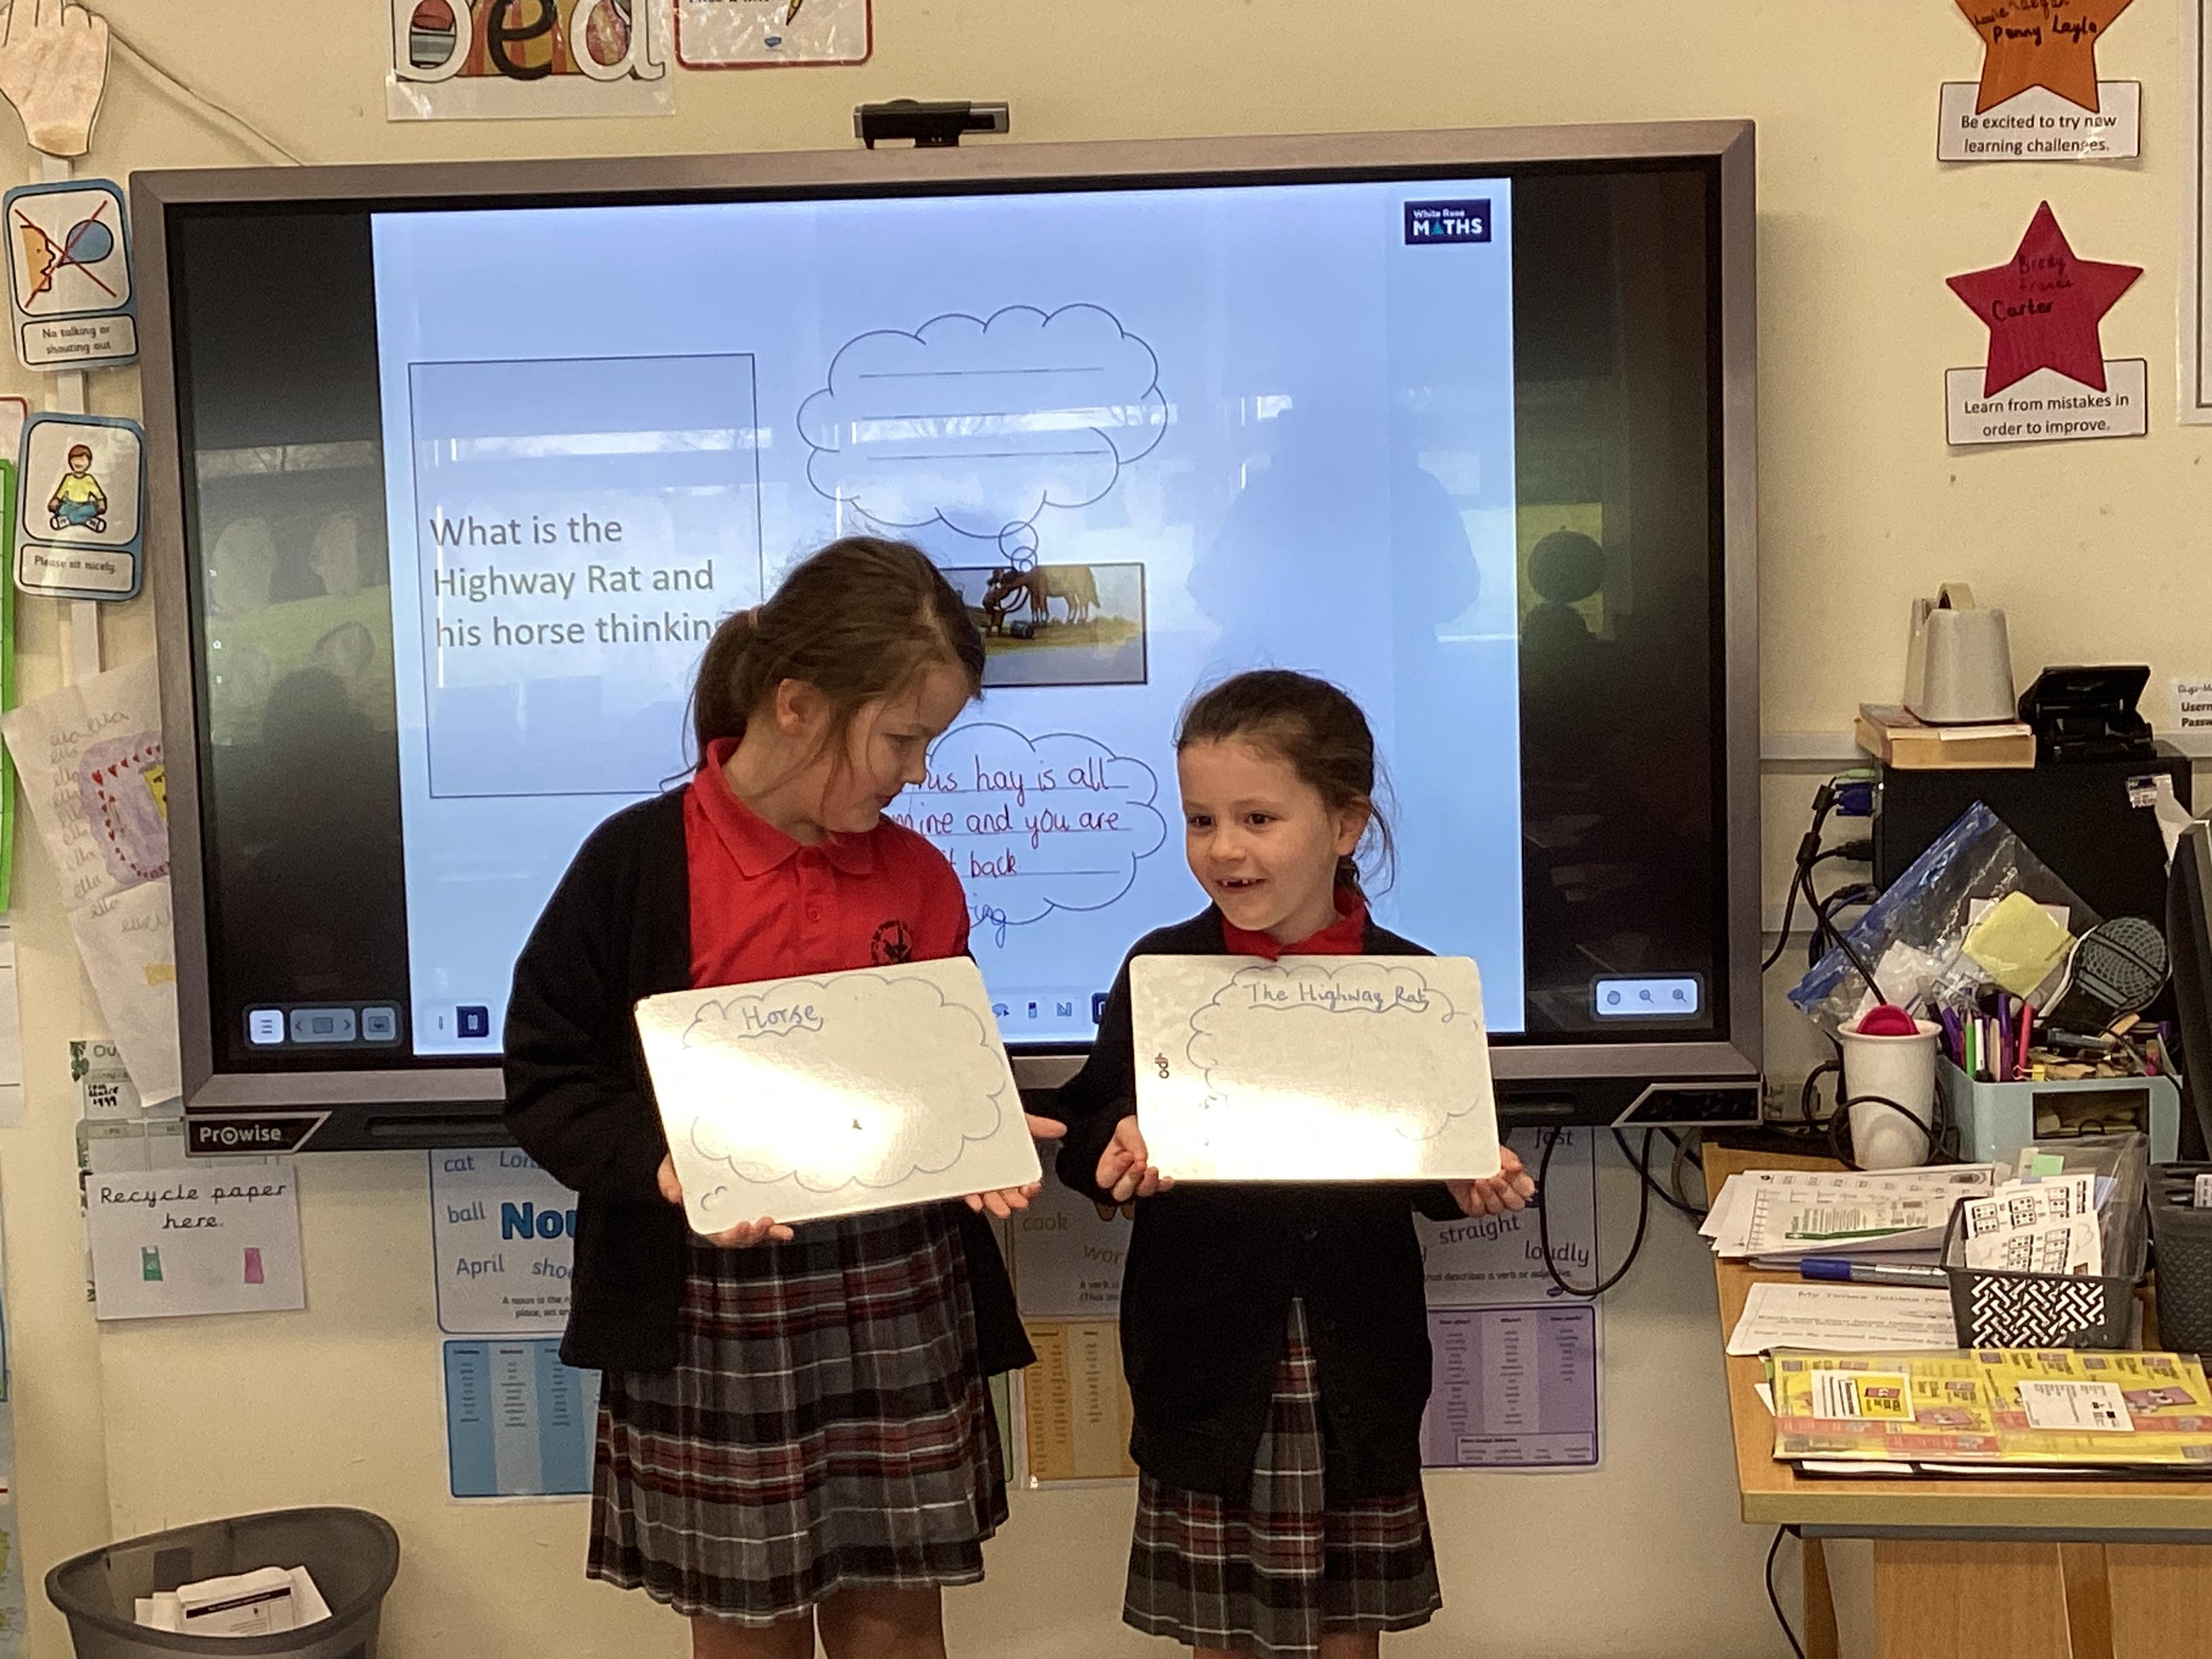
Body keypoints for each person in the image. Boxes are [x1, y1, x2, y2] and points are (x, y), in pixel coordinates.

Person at [505, 536, 1057, 1659]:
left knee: (897, 1622)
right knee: (746, 1626)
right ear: (797, 705)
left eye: (930, 742)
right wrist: (661, 1165)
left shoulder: (917, 874)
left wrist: (980, 1124)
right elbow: (550, 1073)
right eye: (901, 739)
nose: (916, 772)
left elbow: (932, 1067)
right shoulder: (636, 864)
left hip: (898, 1281)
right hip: (712, 1294)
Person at [1055, 669, 1536, 1659]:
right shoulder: (1161, 968)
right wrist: (1116, 1142)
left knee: (1347, 1632)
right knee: (1220, 1634)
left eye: (1258, 818)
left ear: (1346, 824)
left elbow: (1430, 1163)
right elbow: (1088, 1116)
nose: (1224, 848)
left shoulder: (1409, 984)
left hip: (1357, 1358)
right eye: (1201, 820)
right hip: (1205, 1361)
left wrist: (1467, 1177)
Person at [49, 443, 105, 531]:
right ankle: (87, 521)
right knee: (63, 509)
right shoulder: (68, 478)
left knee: (89, 510)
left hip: (84, 505)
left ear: (89, 462)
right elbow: (61, 491)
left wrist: (101, 501)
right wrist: (56, 499)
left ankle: (67, 521)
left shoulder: (89, 479)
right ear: (70, 461)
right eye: (75, 459)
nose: (79, 463)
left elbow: (97, 492)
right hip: (70, 505)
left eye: (82, 459)